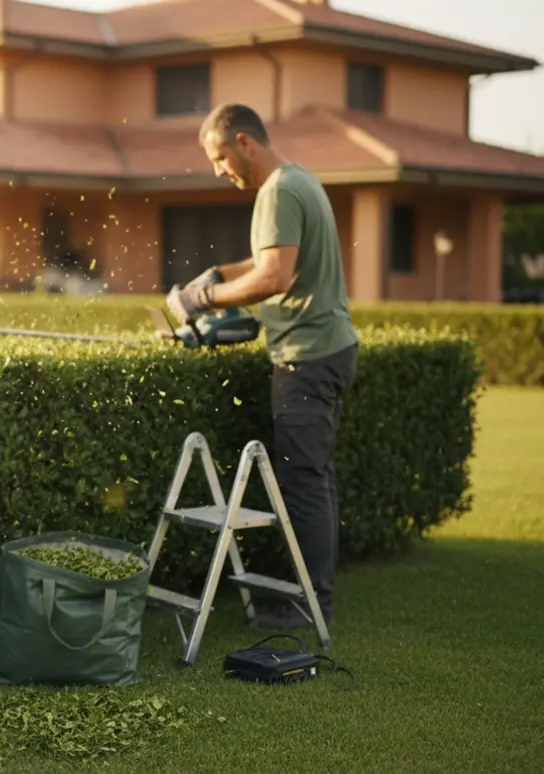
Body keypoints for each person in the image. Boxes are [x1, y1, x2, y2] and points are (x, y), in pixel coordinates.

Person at [165, 103, 360, 629]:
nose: (218, 169)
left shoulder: (276, 191)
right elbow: (267, 260)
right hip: (328, 349)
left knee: (303, 485)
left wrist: (202, 300)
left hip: (307, 357)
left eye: (219, 157)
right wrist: (215, 275)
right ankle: (315, 596)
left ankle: (309, 606)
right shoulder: (298, 180)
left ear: (244, 142)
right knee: (316, 481)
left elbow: (273, 277)